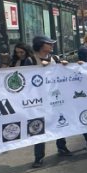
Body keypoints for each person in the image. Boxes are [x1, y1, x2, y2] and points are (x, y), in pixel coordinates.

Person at [28, 36, 73, 166]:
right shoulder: (30, 60)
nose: (51, 46)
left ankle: (62, 146)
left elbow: (64, 75)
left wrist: (66, 66)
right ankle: (39, 156)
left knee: (59, 122)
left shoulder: (55, 59)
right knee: (38, 127)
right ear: (41, 45)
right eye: (49, 44)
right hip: (38, 100)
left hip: (54, 97)